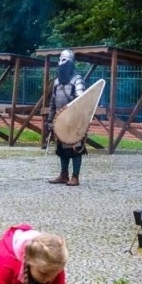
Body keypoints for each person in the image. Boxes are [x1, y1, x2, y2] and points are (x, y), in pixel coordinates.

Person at [48, 49, 85, 186]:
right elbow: (52, 102)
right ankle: (64, 175)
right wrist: (50, 120)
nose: (61, 64)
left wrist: (73, 117)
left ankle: (75, 177)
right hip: (59, 120)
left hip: (74, 120)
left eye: (64, 60)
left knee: (75, 147)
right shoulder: (57, 82)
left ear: (70, 63)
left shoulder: (78, 80)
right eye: (60, 60)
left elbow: (81, 101)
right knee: (61, 148)